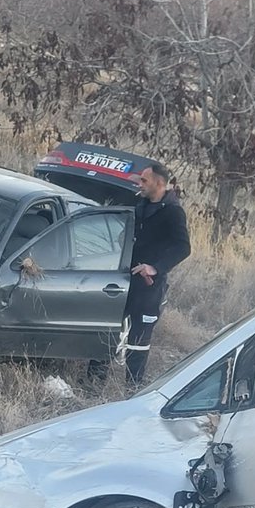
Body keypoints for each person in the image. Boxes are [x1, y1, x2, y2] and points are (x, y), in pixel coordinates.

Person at [89, 160, 191, 386]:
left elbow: (183, 247)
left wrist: (155, 268)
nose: (140, 184)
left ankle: (132, 388)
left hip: (148, 286)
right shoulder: (140, 204)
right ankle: (94, 382)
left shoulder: (173, 212)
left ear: (160, 183)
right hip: (123, 279)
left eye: (145, 180)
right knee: (108, 329)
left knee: (138, 338)